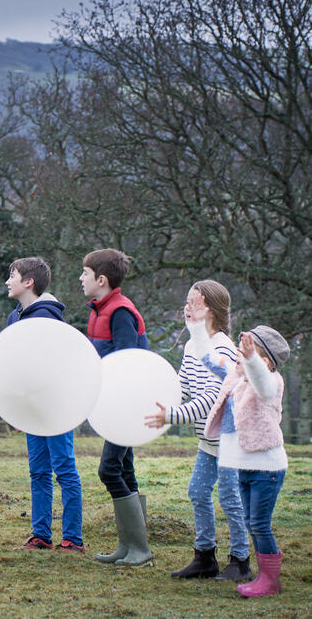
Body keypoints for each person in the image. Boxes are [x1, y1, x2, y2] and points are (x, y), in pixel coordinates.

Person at [144, 282, 250, 581]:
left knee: (230, 498)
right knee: (198, 491)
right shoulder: (192, 346)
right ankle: (205, 558)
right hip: (208, 440)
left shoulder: (223, 349)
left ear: (212, 310)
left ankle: (240, 561)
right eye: (186, 302)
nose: (186, 308)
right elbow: (185, 387)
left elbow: (211, 399)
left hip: (229, 440)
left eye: (194, 303)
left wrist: (171, 416)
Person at [203, 325, 291, 598]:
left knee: (259, 523)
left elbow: (263, 385)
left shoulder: (271, 382)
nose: (238, 357)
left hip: (268, 470)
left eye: (245, 354)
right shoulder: (238, 379)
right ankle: (265, 576)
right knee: (251, 520)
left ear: (264, 361)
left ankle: (270, 581)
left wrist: (252, 360)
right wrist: (196, 326)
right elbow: (209, 359)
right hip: (247, 468)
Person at [79, 248, 153, 567]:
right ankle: (129, 546)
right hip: (112, 404)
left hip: (127, 404)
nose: (81, 278)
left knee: (108, 469)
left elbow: (126, 363)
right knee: (125, 469)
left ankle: (140, 547)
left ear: (102, 279)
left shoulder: (121, 312)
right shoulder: (99, 310)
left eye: (85, 273)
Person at [6, 257, 83, 553]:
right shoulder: (15, 318)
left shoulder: (49, 319)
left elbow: (57, 366)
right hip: (32, 409)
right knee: (37, 471)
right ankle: (41, 535)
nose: (7, 281)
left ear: (29, 282)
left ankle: (72, 539)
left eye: (12, 275)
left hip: (57, 407)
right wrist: (17, 407)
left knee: (64, 470)